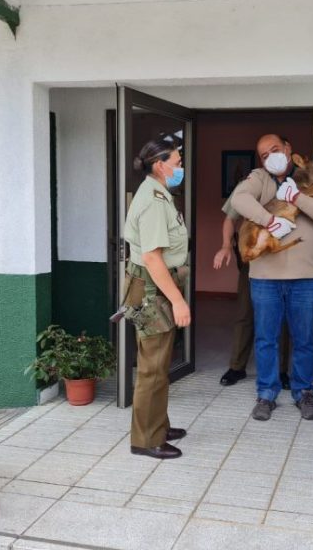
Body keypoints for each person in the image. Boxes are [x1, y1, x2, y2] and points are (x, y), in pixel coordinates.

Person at [231, 134, 313, 422]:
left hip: (304, 276)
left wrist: (297, 196)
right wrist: (269, 219)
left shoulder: (311, 177)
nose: (270, 157)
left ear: (289, 149)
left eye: (275, 150)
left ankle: (304, 392)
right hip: (265, 277)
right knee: (266, 339)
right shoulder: (259, 178)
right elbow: (239, 198)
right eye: (264, 154)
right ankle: (266, 393)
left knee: (304, 339)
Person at [122, 138, 191, 460]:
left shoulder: (159, 194)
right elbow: (152, 258)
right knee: (152, 366)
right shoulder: (151, 200)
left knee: (160, 362)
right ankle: (146, 439)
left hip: (157, 286)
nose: (181, 168)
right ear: (160, 165)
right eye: (177, 162)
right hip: (153, 289)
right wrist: (177, 300)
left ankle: (158, 425)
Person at [213, 198, 291, 389]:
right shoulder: (248, 188)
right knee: (245, 313)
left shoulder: (290, 187)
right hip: (253, 259)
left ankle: (281, 371)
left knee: (281, 317)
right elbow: (230, 218)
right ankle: (237, 367)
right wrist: (225, 245)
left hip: (284, 258)